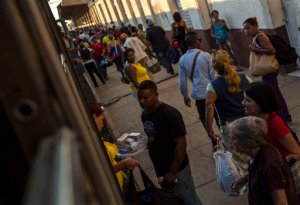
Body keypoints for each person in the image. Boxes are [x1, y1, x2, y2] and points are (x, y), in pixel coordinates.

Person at [138, 80, 202, 205]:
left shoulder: (170, 114)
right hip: (161, 169)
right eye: (139, 98)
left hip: (177, 170)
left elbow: (181, 144)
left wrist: (172, 172)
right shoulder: (145, 114)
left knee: (188, 199)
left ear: (156, 95)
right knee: (174, 201)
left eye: (146, 98)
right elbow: (154, 137)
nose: (141, 101)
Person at [229, 116, 299, 205]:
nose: (231, 141)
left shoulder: (268, 165)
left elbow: (281, 202)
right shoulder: (260, 152)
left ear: (247, 140)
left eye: (234, 138)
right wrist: (246, 178)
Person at [243, 17, 292, 124]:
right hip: (268, 70)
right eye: (245, 29)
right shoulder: (257, 36)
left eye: (248, 28)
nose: (246, 31)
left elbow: (272, 50)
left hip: (269, 70)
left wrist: (255, 49)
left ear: (255, 26)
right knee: (275, 93)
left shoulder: (260, 37)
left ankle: (284, 117)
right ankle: (285, 116)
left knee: (274, 94)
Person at [243, 82, 300, 161]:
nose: (243, 103)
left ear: (261, 103)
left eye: (248, 100)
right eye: (244, 99)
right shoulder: (254, 118)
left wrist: (274, 165)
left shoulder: (275, 124)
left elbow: (297, 153)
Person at [88, 102, 139, 191]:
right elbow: (103, 173)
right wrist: (124, 164)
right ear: (94, 117)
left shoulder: (96, 137)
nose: (103, 124)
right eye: (102, 119)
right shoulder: (91, 144)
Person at [178, 31, 217, 147]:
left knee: (205, 120)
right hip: (212, 93)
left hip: (199, 95)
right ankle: (226, 137)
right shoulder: (206, 56)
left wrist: (185, 96)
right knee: (219, 117)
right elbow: (213, 76)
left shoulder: (182, 60)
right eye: (199, 40)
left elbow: (182, 82)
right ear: (196, 41)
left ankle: (214, 142)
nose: (200, 42)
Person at [205, 50, 250, 148]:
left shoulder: (212, 86)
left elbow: (209, 109)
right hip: (249, 122)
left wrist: (209, 131)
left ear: (214, 67)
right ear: (229, 61)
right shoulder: (244, 77)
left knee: (236, 159)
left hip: (229, 128)